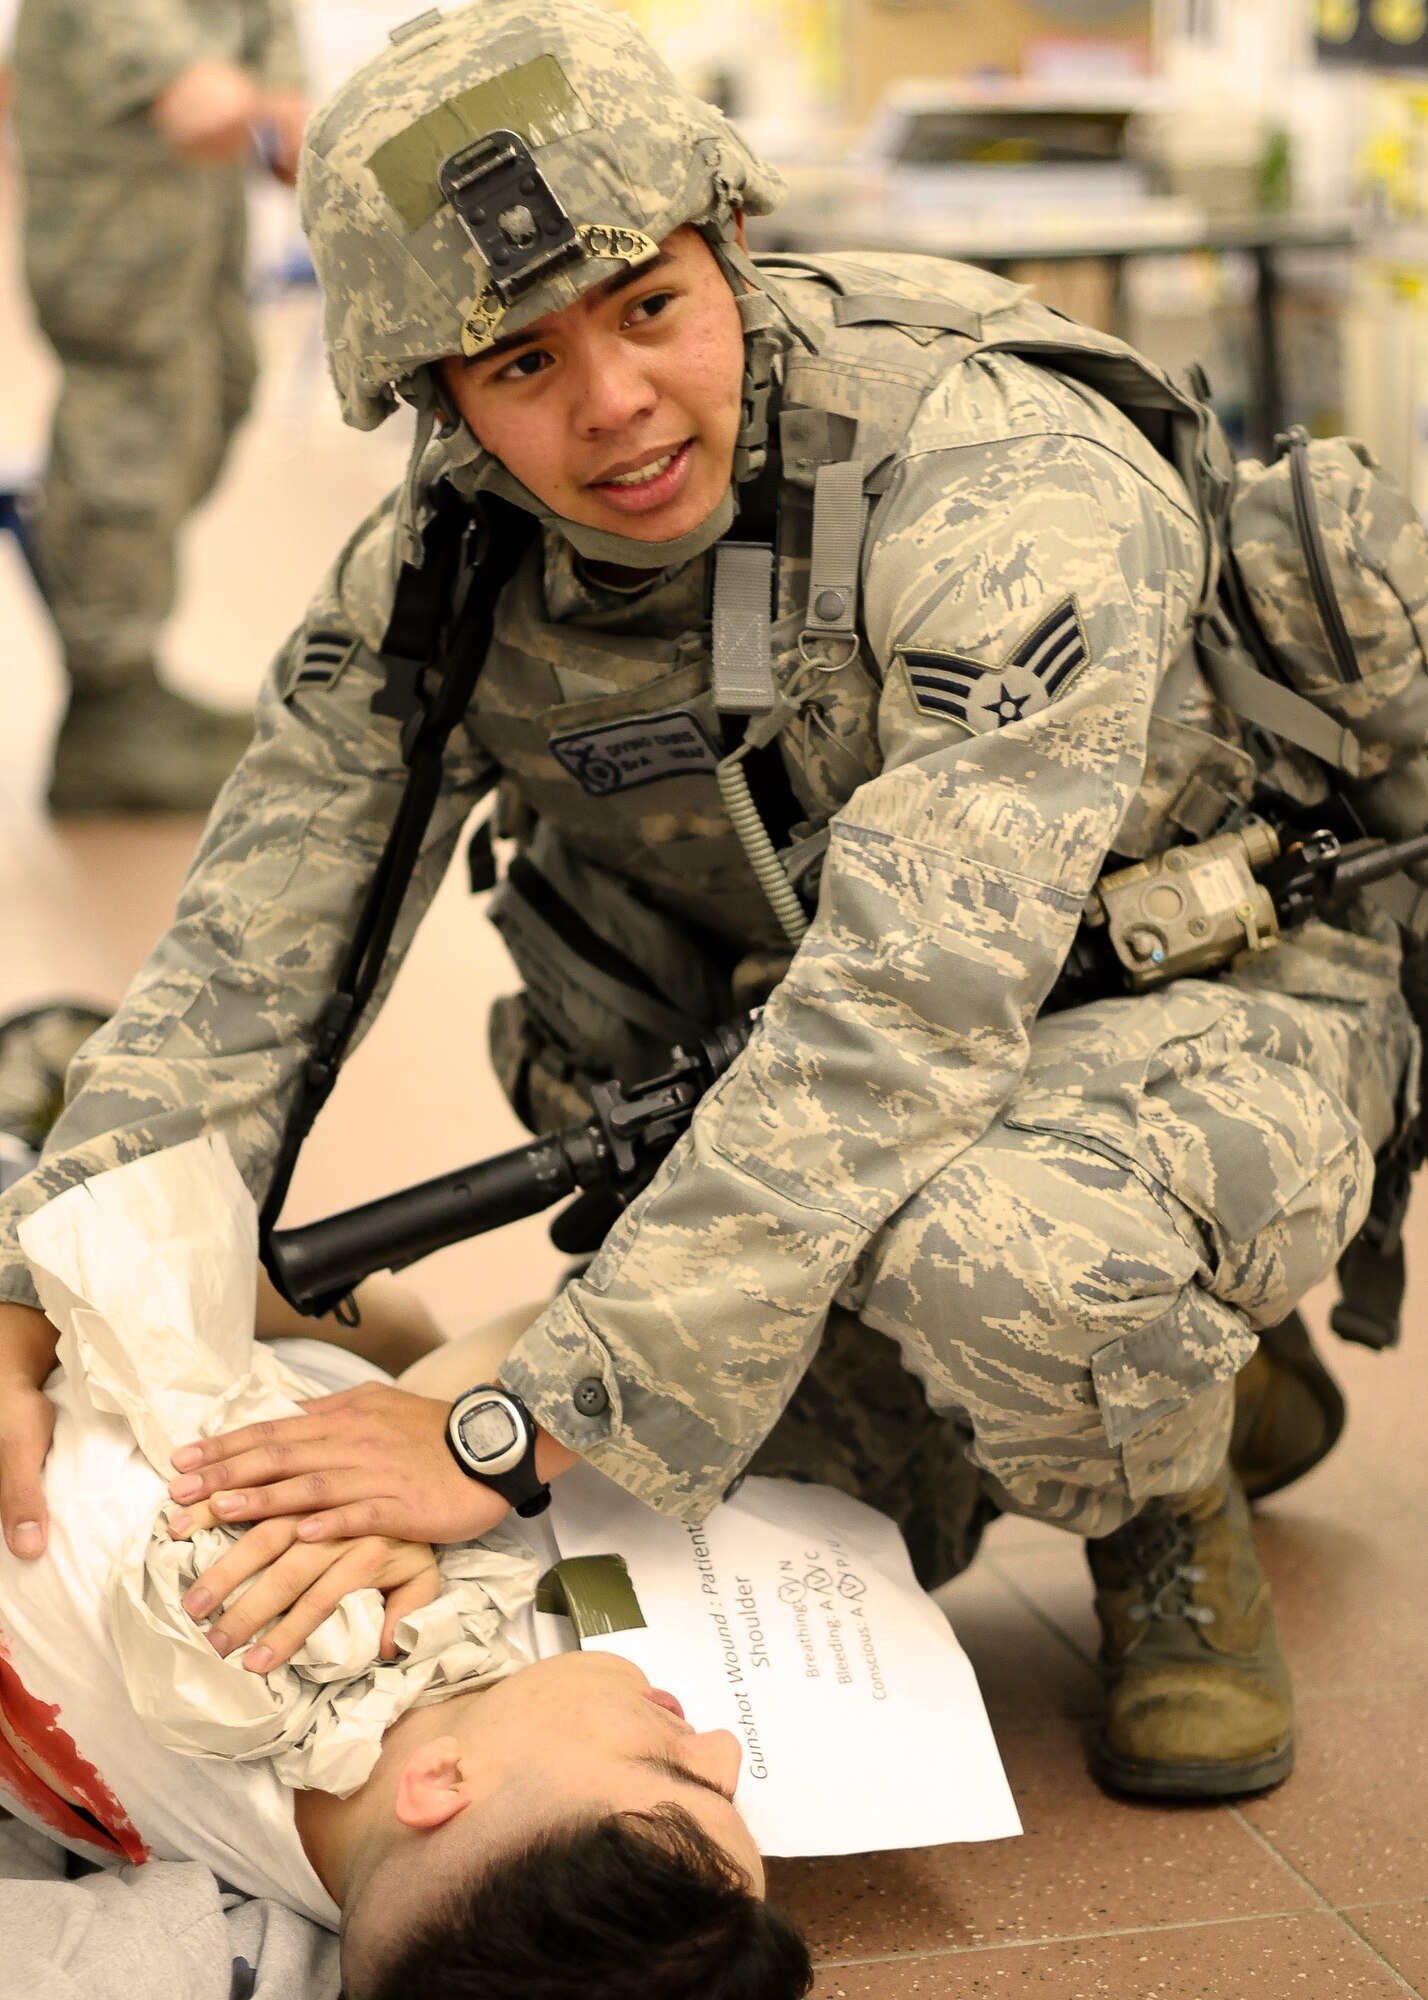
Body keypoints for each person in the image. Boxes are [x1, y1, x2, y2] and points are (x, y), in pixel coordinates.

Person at [0, 0, 1414, 1807]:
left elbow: (901, 1014)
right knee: (801, 1522)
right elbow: (246, 949)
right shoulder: (439, 569)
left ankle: (1167, 1498)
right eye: (516, 365)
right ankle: (1176, 1374)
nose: (612, 408)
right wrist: (41, 1274)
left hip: (1178, 994)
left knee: (1008, 1273)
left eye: (648, 308)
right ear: (439, 404)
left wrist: (515, 1427)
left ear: (724, 241)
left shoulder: (988, 469)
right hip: (780, 1068)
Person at [0, 1317, 812, 2000]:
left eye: (674, 1771)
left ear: (444, 1783)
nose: (725, 1747)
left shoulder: (171, 1552)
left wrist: (475, 1454)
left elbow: (122, 1241)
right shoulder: (409, 1898)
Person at [10, 0, 308, 812]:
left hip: (200, 190)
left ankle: (133, 670)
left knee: (218, 392)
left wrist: (282, 81)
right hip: (116, 173)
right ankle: (105, 707)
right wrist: (167, 62)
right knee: (128, 434)